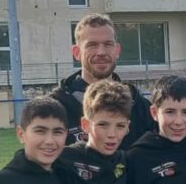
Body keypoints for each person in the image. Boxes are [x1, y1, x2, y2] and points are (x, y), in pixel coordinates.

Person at [51, 13, 156, 142]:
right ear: (77, 53)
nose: (101, 52)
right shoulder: (55, 108)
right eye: (92, 45)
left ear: (117, 50)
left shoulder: (139, 106)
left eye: (108, 44)